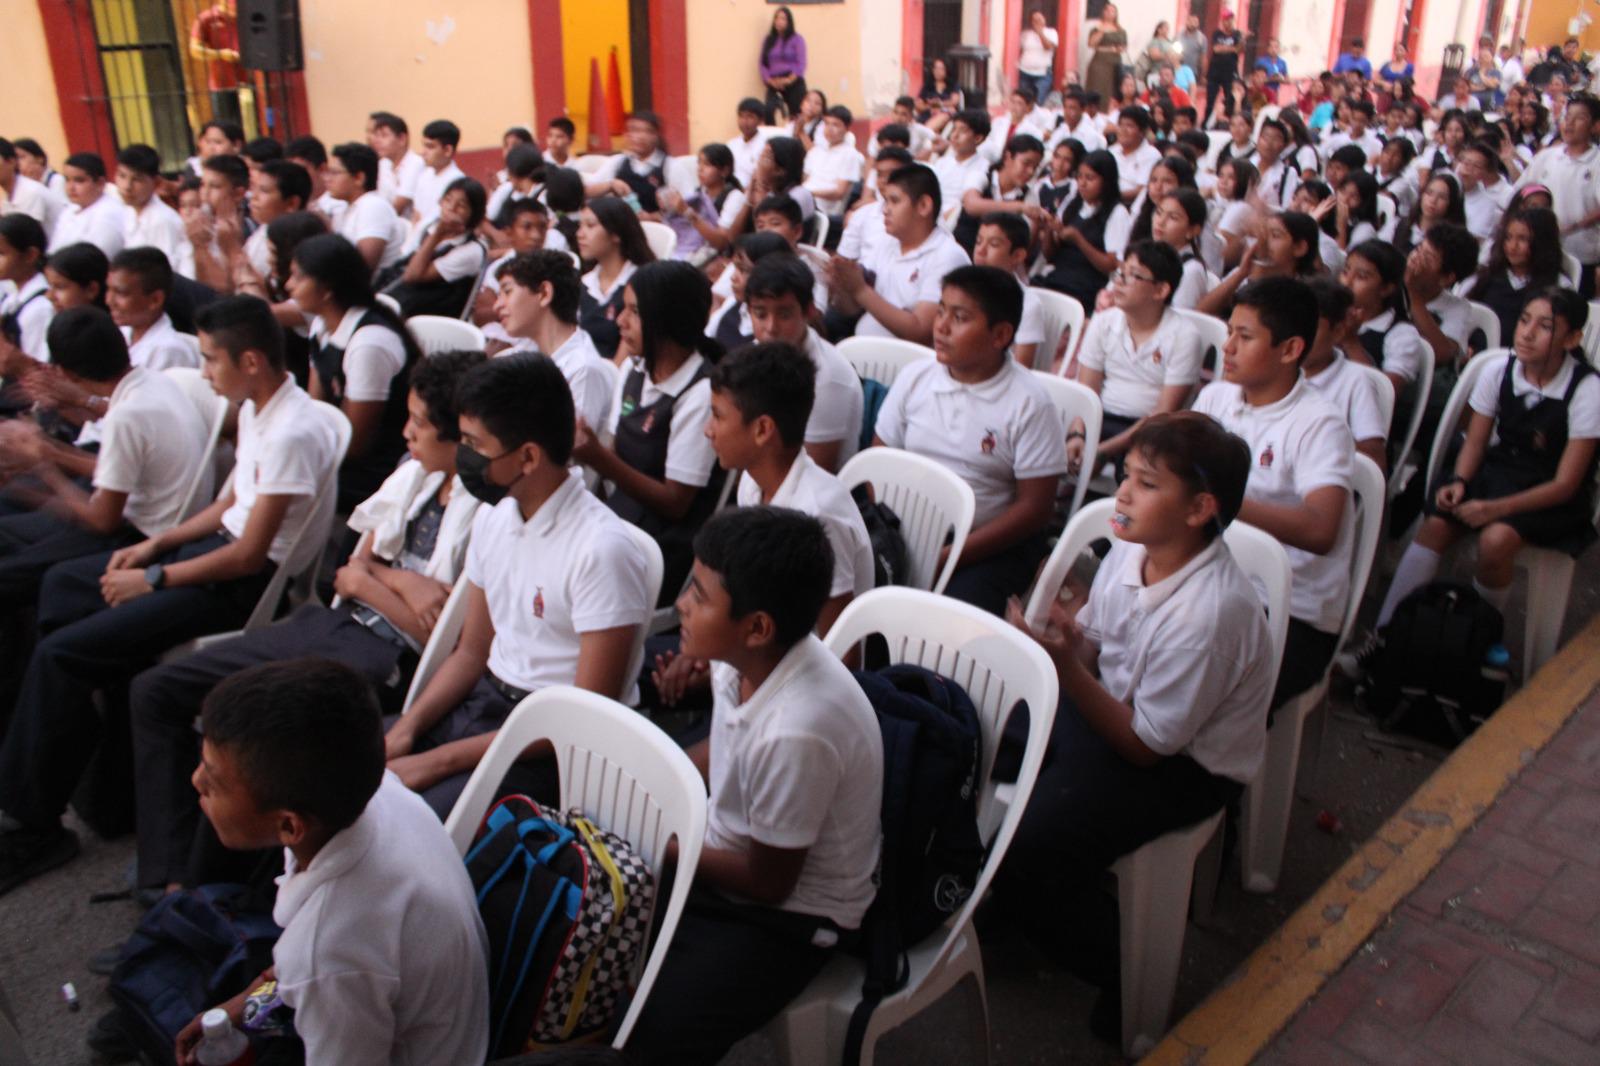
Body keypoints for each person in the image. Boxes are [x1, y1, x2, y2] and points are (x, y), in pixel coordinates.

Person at [0, 295, 342, 895]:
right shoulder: (262, 406)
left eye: (212, 360)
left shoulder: (292, 428)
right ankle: (92, 774)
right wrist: (154, 548)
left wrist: (152, 579)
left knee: (64, 653)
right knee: (65, 597)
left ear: (253, 361)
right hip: (207, 558)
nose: (205, 373)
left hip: (240, 587)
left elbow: (246, 554)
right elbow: (225, 505)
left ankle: (35, 824)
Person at [128, 350, 484, 895]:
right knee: (156, 691)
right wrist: (395, 582)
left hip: (382, 658)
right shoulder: (412, 476)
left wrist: (371, 581)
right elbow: (351, 570)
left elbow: (432, 632)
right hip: (332, 623)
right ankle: (168, 874)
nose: (406, 433)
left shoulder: (484, 511)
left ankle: (196, 896)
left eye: (418, 423)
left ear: (460, 437)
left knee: (245, 736)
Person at [995, 412, 1270, 1029]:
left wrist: (1066, 672)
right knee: (981, 738)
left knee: (1031, 849)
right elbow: (1093, 642)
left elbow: (1147, 747)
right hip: (1115, 713)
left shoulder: (1211, 615)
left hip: (1184, 764)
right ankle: (1017, 906)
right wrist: (1057, 651)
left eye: (1146, 483)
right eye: (1126, 477)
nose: (1121, 494)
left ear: (1200, 509)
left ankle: (1125, 971)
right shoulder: (1131, 544)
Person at [624, 507, 881, 1066]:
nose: (682, 606)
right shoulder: (742, 660)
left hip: (794, 916)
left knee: (651, 1032)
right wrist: (653, 793)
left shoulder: (800, 729)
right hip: (727, 854)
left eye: (699, 596)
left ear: (757, 626)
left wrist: (664, 845)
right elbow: (726, 748)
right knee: (594, 939)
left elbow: (769, 883)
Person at [180, 658, 490, 1064]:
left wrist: (295, 978)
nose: (195, 780)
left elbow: (333, 970)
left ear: (290, 827)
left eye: (214, 781)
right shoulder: (378, 793)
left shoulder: (327, 947)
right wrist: (248, 1001)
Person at [383, 353, 653, 814]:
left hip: (548, 749)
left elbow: (580, 720)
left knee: (403, 817)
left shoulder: (600, 551)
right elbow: (472, 653)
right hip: (484, 706)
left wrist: (437, 761)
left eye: (473, 443)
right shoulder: (495, 515)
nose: (463, 456)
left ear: (528, 457)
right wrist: (409, 727)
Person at [1364, 289, 1597, 667]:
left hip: (1549, 494)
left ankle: (1479, 636)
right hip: (1500, 471)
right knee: (1436, 525)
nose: (1527, 333)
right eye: (1524, 321)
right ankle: (1385, 638)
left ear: (1572, 340)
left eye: (1545, 327)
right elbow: (1474, 444)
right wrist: (1459, 481)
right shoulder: (1499, 370)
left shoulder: (1587, 390)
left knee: (1496, 540)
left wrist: (1494, 509)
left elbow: (1566, 484)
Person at [1193, 276, 1355, 710]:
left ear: (1290, 349)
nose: (1226, 347)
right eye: (1228, 332)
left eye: (1244, 337)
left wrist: (1222, 501)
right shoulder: (1215, 399)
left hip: (1289, 612)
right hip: (1208, 581)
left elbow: (1322, 530)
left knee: (1190, 686)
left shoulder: (1320, 424)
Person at [874, 264, 1067, 614]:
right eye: (941, 311)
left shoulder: (1029, 402)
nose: (941, 326)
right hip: (905, 528)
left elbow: (1035, 509)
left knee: (948, 620)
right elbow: (880, 461)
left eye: (960, 318)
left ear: (1000, 335)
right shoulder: (915, 377)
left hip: (986, 544)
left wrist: (952, 554)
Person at [0, 307, 209, 613]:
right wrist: (50, 443)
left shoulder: (126, 417)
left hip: (138, 536)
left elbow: (102, 521)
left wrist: (43, 465)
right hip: (145, 515)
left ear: (65, 372)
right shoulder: (155, 381)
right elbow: (117, 460)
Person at [571, 261, 725, 601]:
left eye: (634, 312)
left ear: (668, 320)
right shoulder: (634, 369)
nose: (619, 321)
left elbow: (675, 503)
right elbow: (615, 454)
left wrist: (596, 456)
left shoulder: (700, 394)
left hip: (661, 548)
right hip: (618, 522)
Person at [709, 342, 873, 632]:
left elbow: (839, 648)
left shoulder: (819, 516)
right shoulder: (752, 481)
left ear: (762, 430)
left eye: (718, 416)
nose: (708, 429)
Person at [291, 233, 423, 511]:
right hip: (339, 451)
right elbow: (318, 406)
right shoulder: (322, 325)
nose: (288, 286)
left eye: (299, 278)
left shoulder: (369, 342)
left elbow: (356, 443)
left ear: (327, 289)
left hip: (376, 468)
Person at [1073, 240, 1204, 476]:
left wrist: (1103, 450)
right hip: (1099, 419)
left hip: (1150, 431)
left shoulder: (1184, 335)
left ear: (1161, 290)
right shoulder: (1105, 322)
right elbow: (1086, 392)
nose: (1119, 282)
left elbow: (1163, 412)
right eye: (1119, 273)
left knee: (1147, 460)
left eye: (1133, 276)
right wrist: (1078, 435)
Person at [827, 164, 970, 344]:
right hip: (864, 349)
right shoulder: (887, 243)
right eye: (885, 201)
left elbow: (922, 331)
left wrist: (861, 290)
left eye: (894, 201)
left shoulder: (947, 256)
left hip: (906, 363)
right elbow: (852, 309)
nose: (885, 210)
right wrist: (839, 285)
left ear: (924, 206)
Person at [743, 255, 862, 471]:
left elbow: (814, 472)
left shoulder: (828, 380)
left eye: (784, 314)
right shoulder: (759, 351)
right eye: (760, 314)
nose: (771, 327)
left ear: (808, 311)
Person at [493, 249, 616, 430]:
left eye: (507, 291)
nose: (497, 305)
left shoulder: (582, 369)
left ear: (544, 293)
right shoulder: (514, 355)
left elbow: (570, 448)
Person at [1302, 277, 1390, 473]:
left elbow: (1373, 458)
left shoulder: (1356, 381)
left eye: (1311, 328)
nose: (1298, 335)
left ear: (1338, 331)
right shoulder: (1275, 370)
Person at [1516, 96, 1600, 297]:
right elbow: (1522, 190)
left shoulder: (1596, 162)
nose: (1569, 123)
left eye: (1579, 118)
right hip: (1539, 248)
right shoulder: (1548, 156)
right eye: (1567, 116)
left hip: (1580, 252)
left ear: (1595, 126)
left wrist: (1572, 227)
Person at [1038, 149, 1130, 313]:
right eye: (1079, 177)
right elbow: (1049, 254)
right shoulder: (1073, 203)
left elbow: (1110, 265)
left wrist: (1079, 240)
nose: (1082, 183)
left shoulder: (1117, 213)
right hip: (1058, 274)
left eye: (1090, 178)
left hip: (1085, 284)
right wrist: (1050, 229)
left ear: (1106, 181)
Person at [388, 176, 489, 319]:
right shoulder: (431, 224)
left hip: (430, 314)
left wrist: (437, 235)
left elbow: (412, 276)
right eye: (448, 200)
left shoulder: (472, 250)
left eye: (461, 205)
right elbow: (405, 259)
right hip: (404, 298)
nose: (451, 208)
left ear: (474, 213)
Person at [1467, 207, 1565, 345]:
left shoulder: (1557, 286)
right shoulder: (1488, 277)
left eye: (1523, 239)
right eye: (1508, 238)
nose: (1512, 246)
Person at [575, 196, 656, 359]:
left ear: (616, 234)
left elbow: (622, 362)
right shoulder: (583, 284)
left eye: (590, 226)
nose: (580, 234)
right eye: (580, 226)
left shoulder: (641, 284)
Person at [972, 212, 1048, 367]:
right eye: (978, 242)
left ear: (1018, 256)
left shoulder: (1028, 305)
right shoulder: (961, 292)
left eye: (993, 244)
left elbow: (1022, 367)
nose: (981, 250)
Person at [106, 248, 200, 370]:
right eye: (108, 289)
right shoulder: (121, 333)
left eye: (121, 293)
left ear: (155, 300)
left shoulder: (169, 351)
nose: (109, 301)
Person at [953, 133, 1045, 254]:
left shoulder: (1029, 195)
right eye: (1026, 163)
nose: (1030, 172)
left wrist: (1038, 225)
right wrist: (1018, 207)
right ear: (1008, 157)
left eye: (1035, 167)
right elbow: (972, 205)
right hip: (960, 250)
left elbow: (1024, 245)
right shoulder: (981, 175)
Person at [326, 142, 405, 275]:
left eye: (335, 173)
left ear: (359, 178)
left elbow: (363, 267)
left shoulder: (373, 207)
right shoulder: (346, 208)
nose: (327, 179)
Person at [660, 143, 746, 264]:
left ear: (725, 171)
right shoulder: (698, 194)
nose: (700, 169)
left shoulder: (734, 197)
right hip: (693, 251)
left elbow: (721, 243)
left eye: (707, 164)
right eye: (699, 163)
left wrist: (687, 212)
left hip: (719, 259)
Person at [114, 145, 188, 278]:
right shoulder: (128, 212)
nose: (127, 186)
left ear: (156, 182)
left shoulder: (162, 220)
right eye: (122, 176)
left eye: (136, 179)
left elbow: (166, 271)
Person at [591, 112, 671, 214]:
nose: (638, 137)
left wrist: (653, 217)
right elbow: (588, 189)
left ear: (656, 135)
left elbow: (682, 207)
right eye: (633, 130)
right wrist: (610, 185)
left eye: (646, 131)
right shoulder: (618, 162)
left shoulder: (669, 166)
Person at [49, 153, 125, 258]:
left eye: (79, 180)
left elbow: (96, 257)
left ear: (100, 183)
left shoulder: (109, 213)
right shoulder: (69, 210)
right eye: (67, 180)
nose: (71, 187)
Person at [0, 215, 52, 364]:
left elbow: (34, 365)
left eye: (1, 254)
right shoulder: (11, 297)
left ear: (30, 255)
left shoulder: (40, 308)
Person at [404, 120, 466, 244]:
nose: (423, 152)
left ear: (447, 150)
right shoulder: (424, 175)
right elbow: (416, 215)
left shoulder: (457, 182)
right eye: (424, 146)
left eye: (430, 147)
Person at [802, 105, 864, 225]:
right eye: (826, 123)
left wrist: (809, 193)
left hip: (822, 210)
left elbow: (839, 193)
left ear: (846, 129)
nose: (829, 129)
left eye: (835, 125)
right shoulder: (815, 151)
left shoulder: (850, 155)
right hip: (804, 200)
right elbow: (806, 180)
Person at [930, 109, 992, 224]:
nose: (954, 136)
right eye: (954, 129)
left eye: (962, 131)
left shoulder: (984, 168)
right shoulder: (943, 162)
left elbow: (963, 205)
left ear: (978, 138)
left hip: (954, 222)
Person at [1384, 172, 1466, 256]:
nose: (1433, 201)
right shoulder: (1398, 224)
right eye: (1429, 193)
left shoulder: (1450, 242)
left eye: (1442, 197)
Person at [1154, 189, 1211, 309]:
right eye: (1159, 212)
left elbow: (1181, 316)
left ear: (1192, 230)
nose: (1160, 222)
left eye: (1173, 218)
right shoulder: (1151, 255)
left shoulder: (1190, 270)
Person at [188, 0, 243, 123]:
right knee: (227, 126)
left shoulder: (248, 15)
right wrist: (221, 54)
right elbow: (194, 50)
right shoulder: (207, 18)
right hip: (223, 84)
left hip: (251, 81)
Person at [1455, 140, 1514, 243]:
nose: (1467, 169)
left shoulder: (1492, 201)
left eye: (1476, 166)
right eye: (1466, 162)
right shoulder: (1450, 185)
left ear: (1487, 172)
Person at [367, 111, 426, 214]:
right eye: (376, 136)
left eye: (384, 136)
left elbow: (399, 206)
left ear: (402, 139)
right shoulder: (383, 164)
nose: (377, 141)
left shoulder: (416, 163)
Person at [759, 6, 808, 121]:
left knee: (796, 115)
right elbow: (762, 64)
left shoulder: (797, 39)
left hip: (793, 81)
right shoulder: (769, 40)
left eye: (783, 18)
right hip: (774, 82)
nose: (779, 21)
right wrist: (770, 81)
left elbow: (801, 63)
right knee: (769, 111)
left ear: (789, 21)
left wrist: (788, 80)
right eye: (777, 18)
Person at [1110, 105, 1163, 204]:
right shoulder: (1112, 151)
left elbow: (1142, 190)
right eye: (1120, 125)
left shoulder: (1151, 155)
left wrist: (1111, 196)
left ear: (1142, 131)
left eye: (1129, 126)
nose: (1123, 130)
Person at [1207, 10, 1248, 120]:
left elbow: (1240, 50)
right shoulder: (1217, 34)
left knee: (1230, 99)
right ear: (1222, 21)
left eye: (1230, 20)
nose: (1228, 22)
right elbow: (1216, 49)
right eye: (1225, 20)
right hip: (1214, 72)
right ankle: (1206, 122)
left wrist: (1243, 40)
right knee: (1210, 100)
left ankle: (1231, 120)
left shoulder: (1237, 34)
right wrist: (1233, 48)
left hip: (1230, 72)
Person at [1085, 4, 1128, 103]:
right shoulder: (1097, 28)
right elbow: (1091, 44)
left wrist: (1118, 48)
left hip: (1115, 62)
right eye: (1107, 10)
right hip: (1099, 62)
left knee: (1113, 89)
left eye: (1112, 11)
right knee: (1098, 87)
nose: (1109, 13)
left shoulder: (1121, 31)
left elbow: (1124, 46)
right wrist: (1103, 30)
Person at [728, 98, 772, 192]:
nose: (744, 121)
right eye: (741, 116)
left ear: (761, 120)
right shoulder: (732, 144)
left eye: (750, 117)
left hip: (753, 192)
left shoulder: (766, 146)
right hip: (730, 190)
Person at [1018, 10, 1060, 103]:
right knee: (1024, 101)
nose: (1037, 21)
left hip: (1042, 74)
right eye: (1034, 20)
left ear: (1044, 20)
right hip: (1025, 72)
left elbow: (1048, 47)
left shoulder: (1051, 32)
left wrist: (1040, 32)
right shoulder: (1026, 34)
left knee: (1038, 102)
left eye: (1039, 19)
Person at [918, 56, 965, 133]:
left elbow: (954, 101)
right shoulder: (927, 86)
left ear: (946, 70)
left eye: (941, 69)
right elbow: (919, 104)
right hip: (928, 113)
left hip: (945, 113)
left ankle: (925, 133)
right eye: (935, 68)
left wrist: (940, 104)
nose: (937, 71)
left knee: (944, 115)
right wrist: (930, 106)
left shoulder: (952, 85)